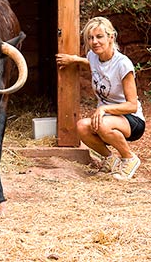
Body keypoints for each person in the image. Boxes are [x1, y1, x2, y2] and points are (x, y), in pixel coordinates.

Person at [56, 16, 145, 180]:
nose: (94, 41)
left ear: (111, 37)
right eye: (90, 38)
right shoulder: (93, 56)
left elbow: (132, 105)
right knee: (82, 126)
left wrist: (103, 109)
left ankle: (129, 159)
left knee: (101, 123)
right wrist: (74, 60)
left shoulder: (123, 64)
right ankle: (109, 160)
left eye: (99, 37)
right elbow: (95, 66)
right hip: (108, 117)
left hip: (131, 119)